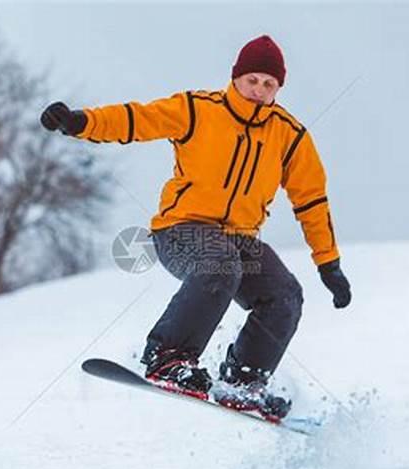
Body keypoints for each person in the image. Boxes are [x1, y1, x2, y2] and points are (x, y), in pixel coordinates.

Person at [41, 35, 351, 420]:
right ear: (236, 77)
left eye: (268, 85)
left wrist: (328, 263)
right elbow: (137, 119)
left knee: (284, 295)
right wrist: (80, 122)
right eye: (253, 80)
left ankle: (244, 380)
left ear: (278, 89)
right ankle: (167, 356)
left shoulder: (290, 136)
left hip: (240, 238)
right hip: (180, 230)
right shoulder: (197, 109)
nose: (259, 91)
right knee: (220, 263)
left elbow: (312, 201)